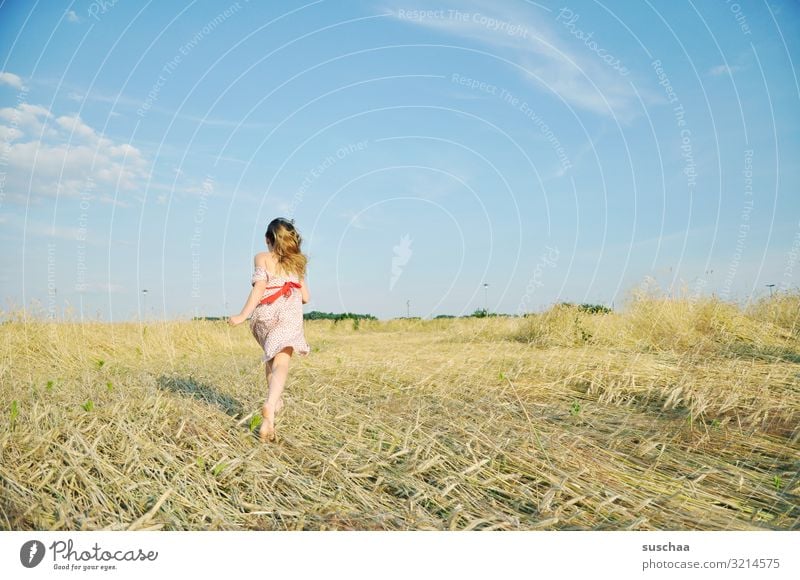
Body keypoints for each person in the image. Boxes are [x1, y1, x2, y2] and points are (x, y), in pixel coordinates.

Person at [228, 218, 311, 442]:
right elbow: (305, 297)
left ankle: (269, 421)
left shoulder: (261, 258)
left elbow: (259, 288)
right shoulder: (297, 264)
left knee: (271, 361)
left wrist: (243, 315)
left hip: (263, 317)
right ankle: (271, 403)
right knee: (282, 362)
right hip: (287, 317)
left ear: (268, 239)